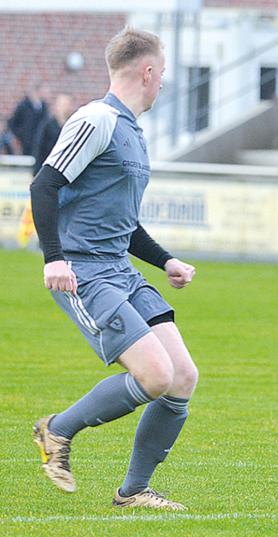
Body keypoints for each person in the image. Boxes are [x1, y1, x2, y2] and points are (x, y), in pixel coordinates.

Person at [29, 27, 198, 511]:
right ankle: (56, 430)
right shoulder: (97, 119)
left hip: (118, 268)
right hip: (85, 272)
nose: (163, 82)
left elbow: (122, 222)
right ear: (147, 72)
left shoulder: (130, 129)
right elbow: (43, 186)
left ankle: (133, 491)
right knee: (155, 376)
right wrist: (54, 258)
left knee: (182, 377)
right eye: (162, 73)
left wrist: (165, 260)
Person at [31, 94, 75, 176]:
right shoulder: (47, 126)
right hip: (50, 169)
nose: (65, 108)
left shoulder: (75, 126)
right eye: (63, 105)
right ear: (56, 107)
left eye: (68, 105)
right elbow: (39, 148)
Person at [8, 83, 50, 158]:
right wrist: (21, 134)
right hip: (26, 141)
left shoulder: (44, 107)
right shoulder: (23, 105)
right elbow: (13, 123)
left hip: (39, 140)